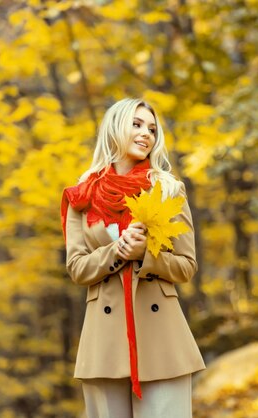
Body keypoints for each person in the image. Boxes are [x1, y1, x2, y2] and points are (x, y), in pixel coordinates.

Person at [61, 98, 205, 418]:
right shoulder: (81, 197)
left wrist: (145, 257)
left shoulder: (168, 189)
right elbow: (77, 268)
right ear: (114, 128)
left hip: (163, 340)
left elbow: (186, 265)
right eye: (136, 125)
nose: (146, 134)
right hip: (104, 344)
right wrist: (116, 252)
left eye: (152, 129)